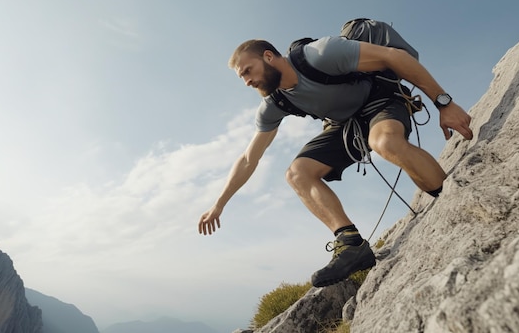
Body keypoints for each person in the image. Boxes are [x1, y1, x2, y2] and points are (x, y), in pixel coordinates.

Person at [197, 34, 473, 287]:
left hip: (380, 100)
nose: (246, 81)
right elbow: (248, 159)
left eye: (248, 71)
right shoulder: (274, 103)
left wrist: (444, 103)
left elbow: (394, 57)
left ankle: (452, 198)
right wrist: (218, 205)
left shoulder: (320, 54)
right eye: (241, 77)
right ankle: (351, 244)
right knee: (297, 173)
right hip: (346, 125)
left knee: (385, 143)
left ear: (268, 57)